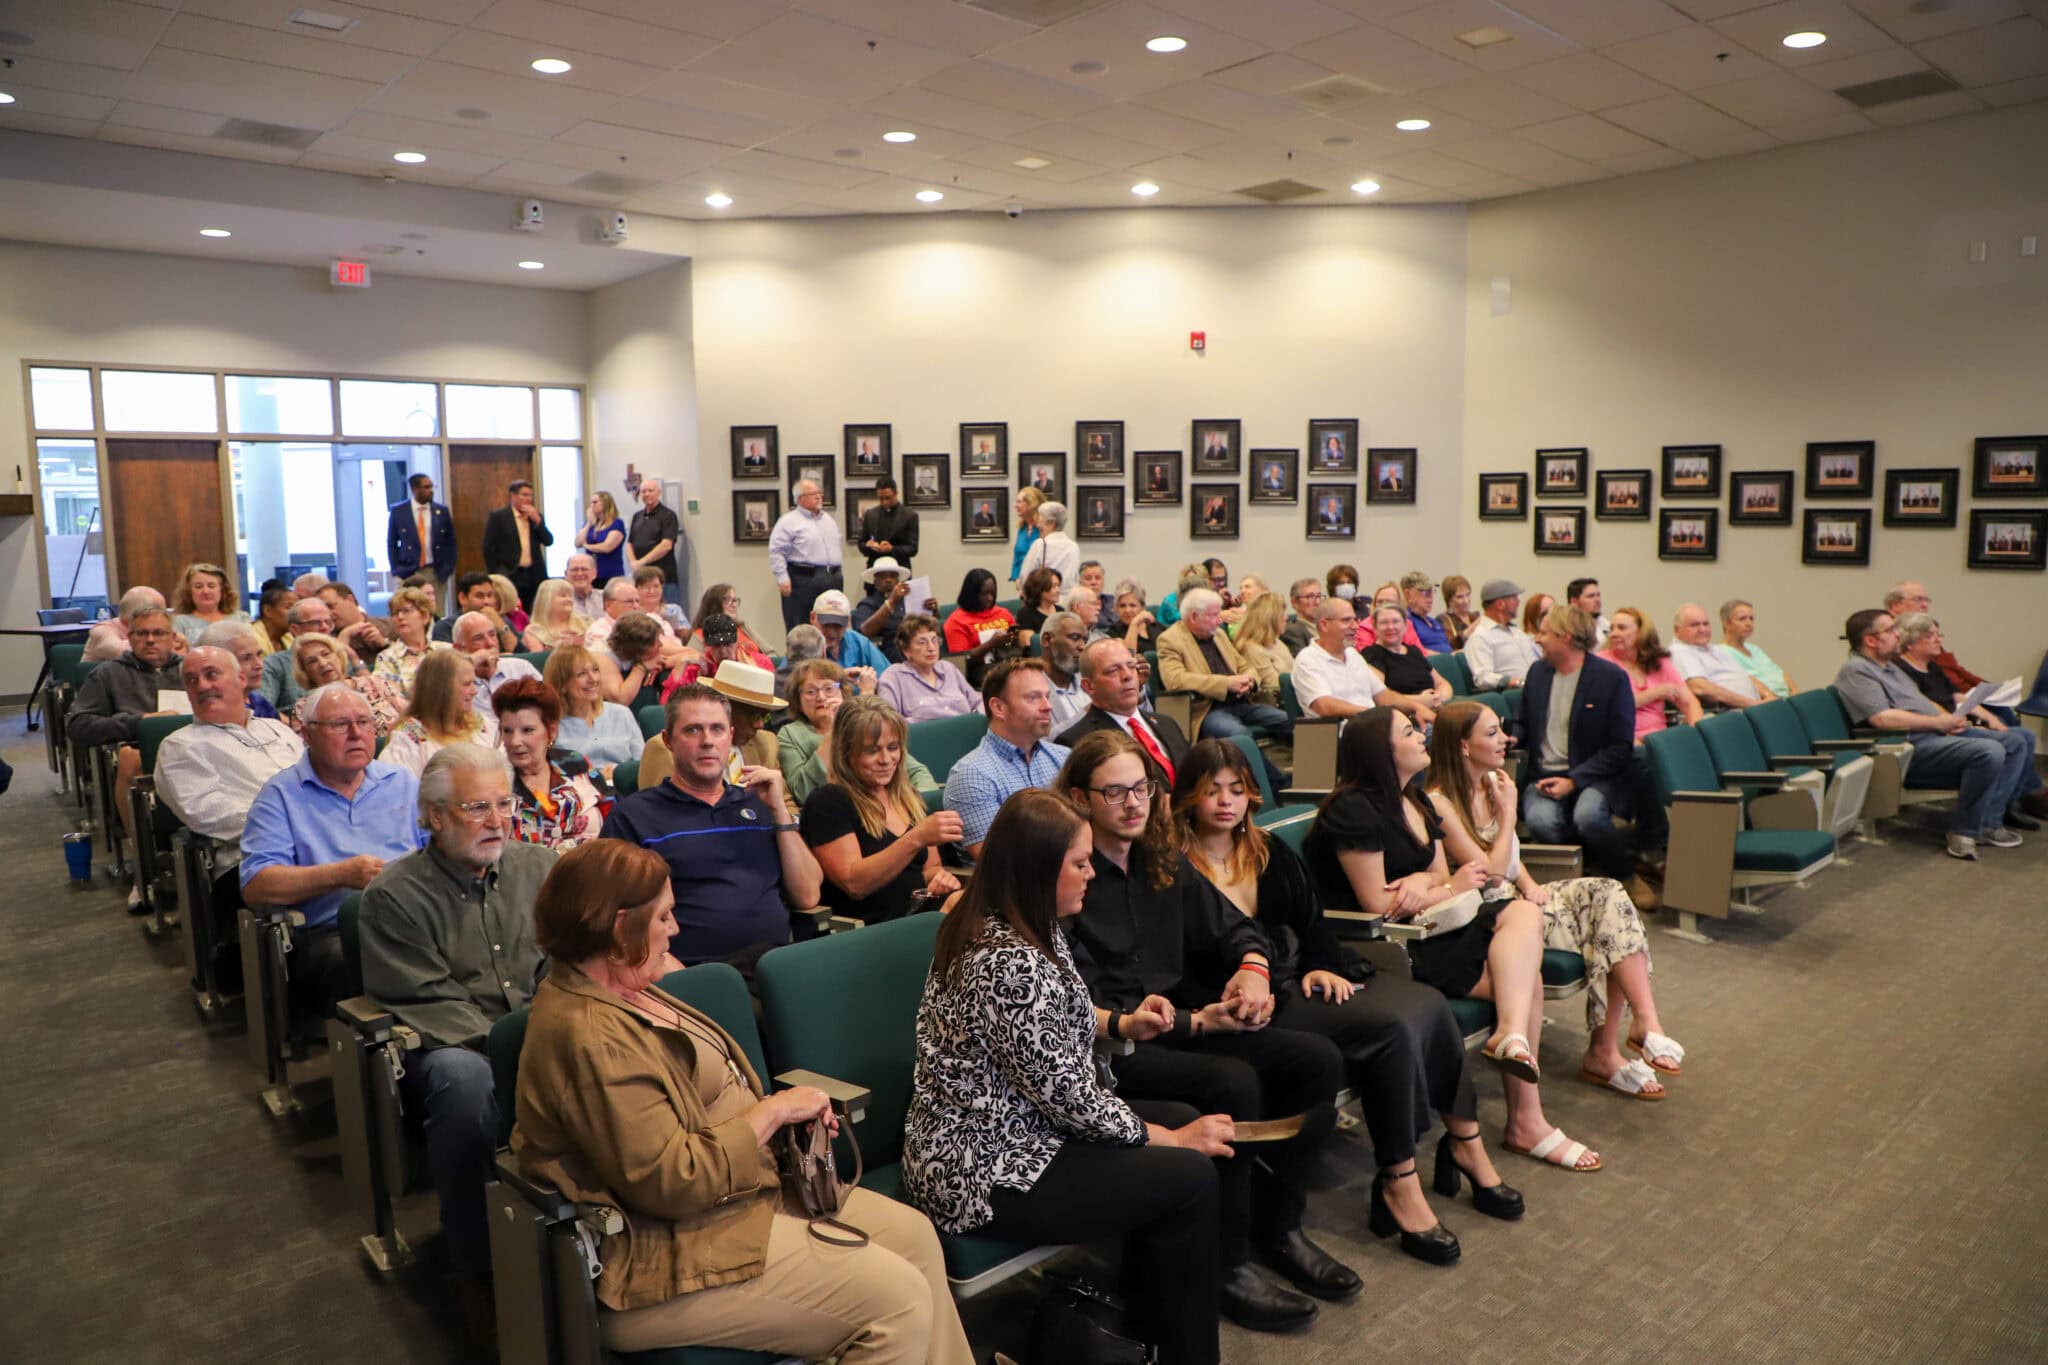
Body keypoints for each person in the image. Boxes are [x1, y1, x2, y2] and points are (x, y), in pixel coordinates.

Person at [512, 840, 971, 1365]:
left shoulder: (627, 986)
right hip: (663, 1253)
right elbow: (671, 1181)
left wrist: (783, 1115)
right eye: (664, 916)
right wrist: (770, 1112)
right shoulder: (588, 1037)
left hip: (741, 1199)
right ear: (620, 928)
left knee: (913, 1236)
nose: (675, 929)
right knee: (898, 1304)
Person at [904, 789, 1229, 1365]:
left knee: (1179, 1128)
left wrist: (1123, 1022)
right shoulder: (1006, 963)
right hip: (981, 1169)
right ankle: (1183, 1352)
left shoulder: (1027, 920)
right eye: (1079, 863)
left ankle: (1145, 1335)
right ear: (1037, 869)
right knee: (1189, 1171)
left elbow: (1062, 1024)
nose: (1091, 875)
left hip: (1021, 1132)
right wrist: (1174, 1142)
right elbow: (1073, 1101)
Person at [1171, 739, 1522, 1258]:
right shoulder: (1174, 868)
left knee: (1424, 1003)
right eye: (1211, 791)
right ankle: (1399, 1179)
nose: (1227, 802)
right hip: (1241, 1004)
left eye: (1238, 790)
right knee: (1390, 1029)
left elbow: (1311, 922)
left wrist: (1322, 964)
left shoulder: (1265, 851)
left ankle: (1465, 1141)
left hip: (1299, 978)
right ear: (1188, 798)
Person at [1060, 732, 1350, 1326]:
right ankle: (1225, 1262)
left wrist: (1253, 970)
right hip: (1112, 1046)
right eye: (1114, 792)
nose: (1133, 803)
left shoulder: (1160, 858)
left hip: (1179, 1023)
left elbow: (1236, 929)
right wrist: (1196, 1020)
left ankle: (1280, 1227)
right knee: (1232, 1083)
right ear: (1079, 798)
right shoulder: (1066, 877)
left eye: (1141, 788)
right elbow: (1076, 1009)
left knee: (1315, 1060)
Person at [1306, 708, 1602, 1173]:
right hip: (1393, 946)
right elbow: (1378, 903)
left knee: (1523, 915)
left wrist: (1429, 886)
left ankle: (1511, 1043)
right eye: (1408, 731)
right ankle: (1527, 1118)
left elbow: (1442, 873)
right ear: (1382, 751)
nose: (1422, 734)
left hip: (1436, 925)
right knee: (1526, 983)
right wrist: (1445, 886)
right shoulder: (1354, 808)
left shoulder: (1416, 800)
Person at [357, 743, 556, 1331]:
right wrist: (519, 1046)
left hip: (540, 1028)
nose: (497, 821)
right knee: (464, 1082)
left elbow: (562, 963)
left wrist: (552, 1030)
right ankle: (477, 1264)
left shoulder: (540, 867)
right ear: (436, 816)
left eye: (504, 804)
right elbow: (428, 1000)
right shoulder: (392, 897)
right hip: (456, 1046)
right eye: (477, 808)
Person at [1428, 702, 1685, 1095]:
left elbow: (1510, 861)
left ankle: (1644, 1022)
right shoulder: (1440, 802)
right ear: (1464, 746)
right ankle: (1606, 1052)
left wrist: (1530, 883)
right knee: (1605, 925)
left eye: (1502, 730)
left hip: (1516, 897)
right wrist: (1510, 812)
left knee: (1610, 895)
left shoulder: (1489, 783)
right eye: (1492, 733)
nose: (1505, 739)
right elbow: (1491, 871)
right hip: (1487, 919)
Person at [599, 684, 823, 966]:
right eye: (692, 730)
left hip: (776, 966)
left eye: (717, 729)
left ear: (730, 737)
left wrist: (779, 811)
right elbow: (610, 916)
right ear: (668, 741)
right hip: (695, 972)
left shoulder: (757, 805)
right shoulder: (634, 816)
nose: (707, 741)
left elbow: (808, 894)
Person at [241, 684, 425, 1018]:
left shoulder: (402, 781)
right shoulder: (280, 796)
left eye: (365, 723)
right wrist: (341, 874)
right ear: (308, 735)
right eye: (340, 725)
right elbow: (257, 885)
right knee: (372, 958)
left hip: (416, 917)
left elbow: (439, 852)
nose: (357, 734)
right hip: (332, 932)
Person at [1833, 610, 2044, 860]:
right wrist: (1938, 722)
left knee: (2017, 740)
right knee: (1989, 751)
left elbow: (1920, 701)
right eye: (1890, 630)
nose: (1897, 634)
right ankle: (1963, 831)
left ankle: (1988, 822)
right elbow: (1882, 718)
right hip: (1905, 746)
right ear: (1870, 640)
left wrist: (1949, 721)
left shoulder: (1889, 667)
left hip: (1932, 734)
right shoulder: (1857, 671)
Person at [155, 646, 304, 943]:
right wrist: (301, 824)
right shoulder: (181, 747)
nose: (202, 686)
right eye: (191, 680)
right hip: (252, 859)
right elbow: (211, 817)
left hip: (320, 839)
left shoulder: (277, 729)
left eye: (211, 674)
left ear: (240, 679)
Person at [1512, 605, 1647, 882]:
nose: (1537, 639)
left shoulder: (1610, 678)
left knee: (1588, 817)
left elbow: (1620, 746)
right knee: (1540, 821)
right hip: (1544, 774)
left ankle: (1624, 875)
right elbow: (1523, 721)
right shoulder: (1538, 673)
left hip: (1596, 774)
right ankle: (1585, 876)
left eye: (1544, 633)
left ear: (1567, 637)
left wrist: (1574, 780)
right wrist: (1512, 735)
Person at [800, 698, 962, 923]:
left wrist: (939, 880)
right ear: (846, 753)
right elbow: (855, 884)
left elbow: (931, 869)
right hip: (872, 927)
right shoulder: (827, 802)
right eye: (872, 751)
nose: (886, 760)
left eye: (893, 748)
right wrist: (916, 838)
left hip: (919, 913)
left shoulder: (907, 796)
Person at [69, 601, 186, 901]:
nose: (150, 640)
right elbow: (79, 725)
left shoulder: (190, 669)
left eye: (158, 633)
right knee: (129, 757)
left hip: (194, 749)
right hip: (140, 755)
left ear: (173, 638)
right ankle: (144, 864)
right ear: (129, 638)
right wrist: (139, 723)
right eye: (141, 633)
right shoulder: (109, 674)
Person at [944, 658, 1071, 859]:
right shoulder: (972, 775)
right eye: (1033, 698)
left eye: (1047, 696)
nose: (1048, 706)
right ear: (998, 708)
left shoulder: (1064, 757)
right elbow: (999, 861)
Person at [1156, 590, 1291, 770]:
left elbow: (1243, 665)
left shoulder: (1218, 635)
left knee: (1290, 721)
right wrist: (1225, 684)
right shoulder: (1170, 640)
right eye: (1214, 615)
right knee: (1239, 735)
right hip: (1207, 709)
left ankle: (1307, 777)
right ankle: (1273, 785)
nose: (1220, 620)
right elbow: (1175, 679)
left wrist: (1249, 680)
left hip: (1241, 703)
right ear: (1194, 616)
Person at [493, 678, 614, 849]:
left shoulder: (574, 762)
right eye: (507, 731)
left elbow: (612, 814)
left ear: (551, 731)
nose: (514, 741)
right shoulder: (496, 782)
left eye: (527, 730)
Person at [637, 660, 786, 792]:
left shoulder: (767, 743)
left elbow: (786, 803)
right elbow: (657, 815)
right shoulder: (665, 750)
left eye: (765, 716)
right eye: (753, 714)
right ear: (725, 708)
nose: (760, 724)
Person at [1058, 639, 1192, 783]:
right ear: (1089, 686)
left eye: (1131, 666)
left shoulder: (1167, 723)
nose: (1128, 675)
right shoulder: (1077, 742)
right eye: (1113, 670)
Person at [384, 646, 494, 779]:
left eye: (473, 683)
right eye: (467, 684)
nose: (474, 691)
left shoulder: (479, 723)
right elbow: (397, 790)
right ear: (442, 690)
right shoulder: (408, 737)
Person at [1599, 607, 1701, 741]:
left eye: (1621, 628)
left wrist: (1695, 732)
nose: (1613, 634)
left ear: (1641, 632)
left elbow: (1689, 703)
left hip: (1659, 738)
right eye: (1612, 629)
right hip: (1622, 738)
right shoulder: (1601, 663)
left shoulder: (1659, 661)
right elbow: (1612, 707)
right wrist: (1656, 693)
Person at [287, 633, 405, 739]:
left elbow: (411, 717)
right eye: (312, 661)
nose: (323, 663)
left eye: (326, 654)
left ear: (338, 656)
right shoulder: (304, 709)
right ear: (305, 671)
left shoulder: (375, 684)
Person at [1290, 600, 1393, 720]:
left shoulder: (1352, 654)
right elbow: (1324, 706)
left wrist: (1416, 706)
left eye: (1355, 620)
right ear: (1324, 625)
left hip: (1370, 724)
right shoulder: (1307, 659)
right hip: (1334, 733)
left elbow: (1383, 695)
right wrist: (1374, 715)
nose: (1355, 626)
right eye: (1346, 620)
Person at [543, 645, 641, 767]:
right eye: (582, 674)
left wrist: (619, 773)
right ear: (562, 684)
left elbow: (642, 764)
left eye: (595, 670)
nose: (593, 679)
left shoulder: (622, 714)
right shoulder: (550, 725)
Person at [1362, 604, 1452, 728]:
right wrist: (1420, 700)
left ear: (1405, 625)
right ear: (1375, 628)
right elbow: (1380, 697)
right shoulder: (1372, 654)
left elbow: (1442, 683)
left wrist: (1438, 698)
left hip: (1434, 708)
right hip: (1403, 718)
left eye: (1396, 621)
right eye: (1384, 623)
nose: (1390, 627)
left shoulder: (1414, 651)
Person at [768, 478, 842, 631]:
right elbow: (777, 551)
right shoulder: (788, 522)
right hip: (803, 580)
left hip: (832, 578)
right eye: (814, 493)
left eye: (819, 493)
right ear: (800, 498)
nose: (819, 496)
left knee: (832, 625)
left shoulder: (828, 520)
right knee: (801, 626)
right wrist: (782, 578)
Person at [877, 616, 980, 723]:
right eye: (922, 642)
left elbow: (978, 702)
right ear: (906, 650)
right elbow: (889, 722)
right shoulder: (894, 676)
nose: (931, 648)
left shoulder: (948, 668)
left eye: (934, 640)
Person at [258, 596, 350, 714]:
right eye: (316, 622)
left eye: (328, 622)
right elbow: (263, 710)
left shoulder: (338, 657)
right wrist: (295, 724)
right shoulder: (274, 664)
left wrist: (354, 659)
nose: (325, 627)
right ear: (295, 629)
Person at [1671, 603, 1767, 709]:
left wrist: (1768, 695)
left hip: (1755, 708)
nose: (1702, 629)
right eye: (1694, 625)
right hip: (1735, 713)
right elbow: (1699, 687)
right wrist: (1753, 704)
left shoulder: (1715, 649)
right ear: (1677, 630)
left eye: (1706, 624)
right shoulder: (1680, 651)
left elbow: (1744, 676)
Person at [387, 472, 455, 611]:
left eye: (431, 486)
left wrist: (448, 568)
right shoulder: (399, 511)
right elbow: (392, 543)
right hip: (408, 571)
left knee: (436, 612)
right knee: (407, 609)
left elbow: (451, 542)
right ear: (414, 489)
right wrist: (395, 570)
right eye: (426, 487)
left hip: (435, 571)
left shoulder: (441, 511)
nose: (431, 490)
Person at [481, 479, 553, 611]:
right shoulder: (499, 517)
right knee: (512, 610)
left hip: (534, 573)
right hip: (511, 572)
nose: (528, 499)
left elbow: (548, 541)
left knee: (535, 609)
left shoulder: (536, 517)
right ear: (513, 496)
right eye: (524, 495)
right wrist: (497, 572)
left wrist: (538, 522)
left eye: (530, 495)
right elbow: (488, 548)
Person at [1461, 579, 1541, 691]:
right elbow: (1483, 677)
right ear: (1500, 604)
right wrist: (1518, 682)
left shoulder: (1516, 631)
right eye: (1514, 598)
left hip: (1538, 687)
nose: (1518, 602)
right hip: (1516, 694)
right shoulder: (1480, 637)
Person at [371, 586, 447, 695]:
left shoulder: (445, 650)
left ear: (425, 616)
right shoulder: (387, 658)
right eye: (395, 613)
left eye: (406, 611)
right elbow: (390, 697)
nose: (400, 617)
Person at [199, 620, 283, 719]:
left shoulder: (258, 701)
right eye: (246, 658)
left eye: (259, 655)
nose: (259, 665)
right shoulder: (217, 711)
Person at [941, 568, 1018, 675]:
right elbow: (960, 662)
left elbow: (1016, 642)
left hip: (1010, 662)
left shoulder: (1003, 613)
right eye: (985, 594)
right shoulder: (956, 621)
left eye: (993, 593)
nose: (990, 598)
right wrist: (991, 644)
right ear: (972, 594)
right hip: (980, 671)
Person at [1720, 599, 1797, 697]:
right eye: (1742, 619)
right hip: (1767, 704)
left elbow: (1781, 673)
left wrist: (1795, 693)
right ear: (1726, 623)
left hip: (1787, 700)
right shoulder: (1722, 652)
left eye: (1751, 618)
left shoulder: (1754, 649)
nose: (1749, 623)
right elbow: (1749, 684)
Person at [626, 474, 683, 603]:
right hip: (641, 578)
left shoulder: (668, 516)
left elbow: (666, 545)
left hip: (664, 579)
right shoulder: (637, 516)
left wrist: (642, 562)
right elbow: (629, 543)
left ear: (658, 493)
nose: (646, 494)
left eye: (650, 491)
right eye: (643, 491)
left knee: (667, 614)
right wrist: (633, 563)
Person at [809, 589, 887, 680]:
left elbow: (888, 677)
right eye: (826, 624)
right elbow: (792, 684)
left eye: (837, 626)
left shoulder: (860, 643)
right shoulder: (802, 644)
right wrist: (839, 678)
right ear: (813, 617)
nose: (831, 632)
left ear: (848, 622)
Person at [691, 583, 773, 669]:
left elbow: (770, 653)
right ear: (714, 604)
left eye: (735, 600)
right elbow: (694, 662)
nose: (734, 605)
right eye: (728, 600)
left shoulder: (742, 627)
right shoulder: (700, 634)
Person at [169, 561, 247, 645]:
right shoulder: (179, 622)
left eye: (211, 586)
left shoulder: (241, 618)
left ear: (223, 590)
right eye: (198, 586)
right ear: (189, 591)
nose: (205, 591)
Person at [1039, 611, 1091, 734]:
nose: (1083, 647)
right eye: (1075, 638)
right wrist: (1088, 713)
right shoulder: (1027, 686)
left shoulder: (1089, 681)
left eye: (1085, 640)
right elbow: (1033, 743)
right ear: (1047, 640)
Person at [852, 556, 912, 664]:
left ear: (898, 580)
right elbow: (862, 633)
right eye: (883, 576)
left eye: (892, 576)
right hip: (889, 653)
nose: (888, 580)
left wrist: (933, 612)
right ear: (875, 581)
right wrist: (891, 602)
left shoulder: (908, 600)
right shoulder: (867, 604)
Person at [856, 476, 919, 572]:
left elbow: (913, 548)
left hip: (899, 569)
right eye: (881, 498)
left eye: (888, 498)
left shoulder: (910, 516)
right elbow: (861, 543)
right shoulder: (870, 514)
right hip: (875, 568)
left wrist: (891, 549)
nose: (885, 502)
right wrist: (869, 546)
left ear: (896, 494)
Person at [1232, 592, 1295, 680]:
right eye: (1282, 614)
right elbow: (1274, 685)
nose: (1286, 617)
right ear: (1269, 618)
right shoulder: (1251, 649)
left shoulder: (1277, 642)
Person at [1019, 500, 1080, 588]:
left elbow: (1025, 578)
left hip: (1046, 600)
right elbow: (1075, 579)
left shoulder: (1040, 544)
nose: (1037, 525)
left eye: (1040, 520)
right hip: (1068, 600)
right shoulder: (1074, 547)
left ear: (1051, 523)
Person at [523, 578, 590, 652]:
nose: (569, 599)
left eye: (570, 596)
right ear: (546, 600)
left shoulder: (586, 622)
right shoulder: (533, 631)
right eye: (563, 596)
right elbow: (538, 660)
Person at [575, 491, 627, 586]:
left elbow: (607, 547)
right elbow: (578, 543)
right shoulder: (591, 525)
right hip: (592, 574)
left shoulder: (617, 523)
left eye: (595, 502)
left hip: (610, 573)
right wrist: (588, 523)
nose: (591, 506)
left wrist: (587, 546)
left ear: (605, 503)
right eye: (591, 503)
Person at [1400, 572, 1453, 654]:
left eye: (1431, 592)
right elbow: (1414, 653)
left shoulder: (1434, 622)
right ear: (1408, 595)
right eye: (1424, 593)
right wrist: (1446, 657)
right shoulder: (1406, 622)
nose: (1430, 599)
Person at [633, 566, 690, 636]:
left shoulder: (674, 610)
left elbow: (688, 635)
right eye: (646, 587)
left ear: (662, 588)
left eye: (656, 586)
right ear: (636, 589)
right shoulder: (632, 613)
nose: (651, 591)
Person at [1012, 567, 1061, 648]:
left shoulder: (1061, 610)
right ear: (1040, 589)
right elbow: (1029, 646)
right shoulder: (1025, 614)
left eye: (1058, 586)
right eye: (1054, 586)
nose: (1058, 590)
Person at [1112, 584, 1165, 655]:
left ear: (1142, 607)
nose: (1127, 610)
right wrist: (1134, 623)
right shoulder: (1113, 632)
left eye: (1132, 605)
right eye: (1122, 606)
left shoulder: (1156, 626)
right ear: (1117, 609)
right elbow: (1129, 656)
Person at [1009, 486, 1046, 587]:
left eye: (1019, 502)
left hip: (1041, 585)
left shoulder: (1044, 528)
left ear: (1031, 504)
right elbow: (1017, 557)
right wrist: (1017, 579)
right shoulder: (1022, 527)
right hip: (1023, 585)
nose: (1015, 505)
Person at [1435, 575, 1479, 653]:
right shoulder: (1443, 619)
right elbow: (1449, 646)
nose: (1466, 601)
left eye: (1468, 594)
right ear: (1449, 600)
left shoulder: (1476, 616)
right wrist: (1473, 627)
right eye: (1460, 597)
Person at [1280, 578, 1323, 655]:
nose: (1317, 602)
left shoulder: (1325, 627)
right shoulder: (1292, 631)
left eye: (1319, 596)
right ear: (1295, 602)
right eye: (1310, 596)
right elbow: (1305, 662)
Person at [250, 584, 295, 656]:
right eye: (289, 607)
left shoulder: (291, 638)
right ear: (268, 611)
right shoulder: (250, 638)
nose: (295, 612)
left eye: (296, 607)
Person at [1565, 577, 1610, 648]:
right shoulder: (1567, 628)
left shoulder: (1604, 623)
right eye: (1591, 596)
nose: (1597, 600)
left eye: (1598, 595)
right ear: (1574, 602)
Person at [563, 553, 605, 620]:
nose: (579, 573)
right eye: (574, 569)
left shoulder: (606, 598)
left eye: (584, 569)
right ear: (566, 574)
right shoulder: (559, 602)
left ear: (594, 573)